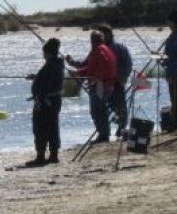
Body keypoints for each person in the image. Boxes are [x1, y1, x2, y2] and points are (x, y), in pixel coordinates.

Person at [67, 31, 117, 143]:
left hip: (100, 85)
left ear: (93, 41)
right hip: (108, 85)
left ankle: (103, 135)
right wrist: (72, 63)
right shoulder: (105, 49)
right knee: (102, 110)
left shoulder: (98, 51)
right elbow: (88, 66)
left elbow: (92, 69)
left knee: (96, 111)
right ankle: (105, 133)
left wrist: (77, 73)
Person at [25, 38, 65, 167]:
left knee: (41, 128)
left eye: (44, 52)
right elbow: (47, 81)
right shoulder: (57, 64)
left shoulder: (51, 66)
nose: (43, 55)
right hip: (54, 101)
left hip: (46, 102)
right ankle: (54, 155)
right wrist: (36, 77)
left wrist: (38, 97)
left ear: (48, 52)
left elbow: (45, 85)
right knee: (53, 127)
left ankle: (41, 156)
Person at [97, 24, 133, 138]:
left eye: (102, 35)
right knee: (101, 108)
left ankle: (121, 129)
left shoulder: (119, 47)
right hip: (101, 83)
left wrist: (122, 77)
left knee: (120, 107)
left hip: (117, 83)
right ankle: (104, 132)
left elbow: (128, 65)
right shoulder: (97, 49)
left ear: (108, 35)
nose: (101, 38)